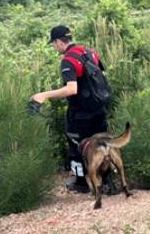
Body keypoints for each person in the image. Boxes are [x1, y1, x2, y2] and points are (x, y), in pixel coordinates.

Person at [30, 25, 109, 193]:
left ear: (59, 42)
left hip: (80, 112)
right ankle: (108, 181)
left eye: (54, 43)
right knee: (102, 143)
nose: (54, 46)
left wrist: (44, 95)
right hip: (99, 108)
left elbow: (72, 89)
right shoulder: (90, 52)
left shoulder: (68, 60)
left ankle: (81, 183)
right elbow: (102, 76)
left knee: (76, 145)